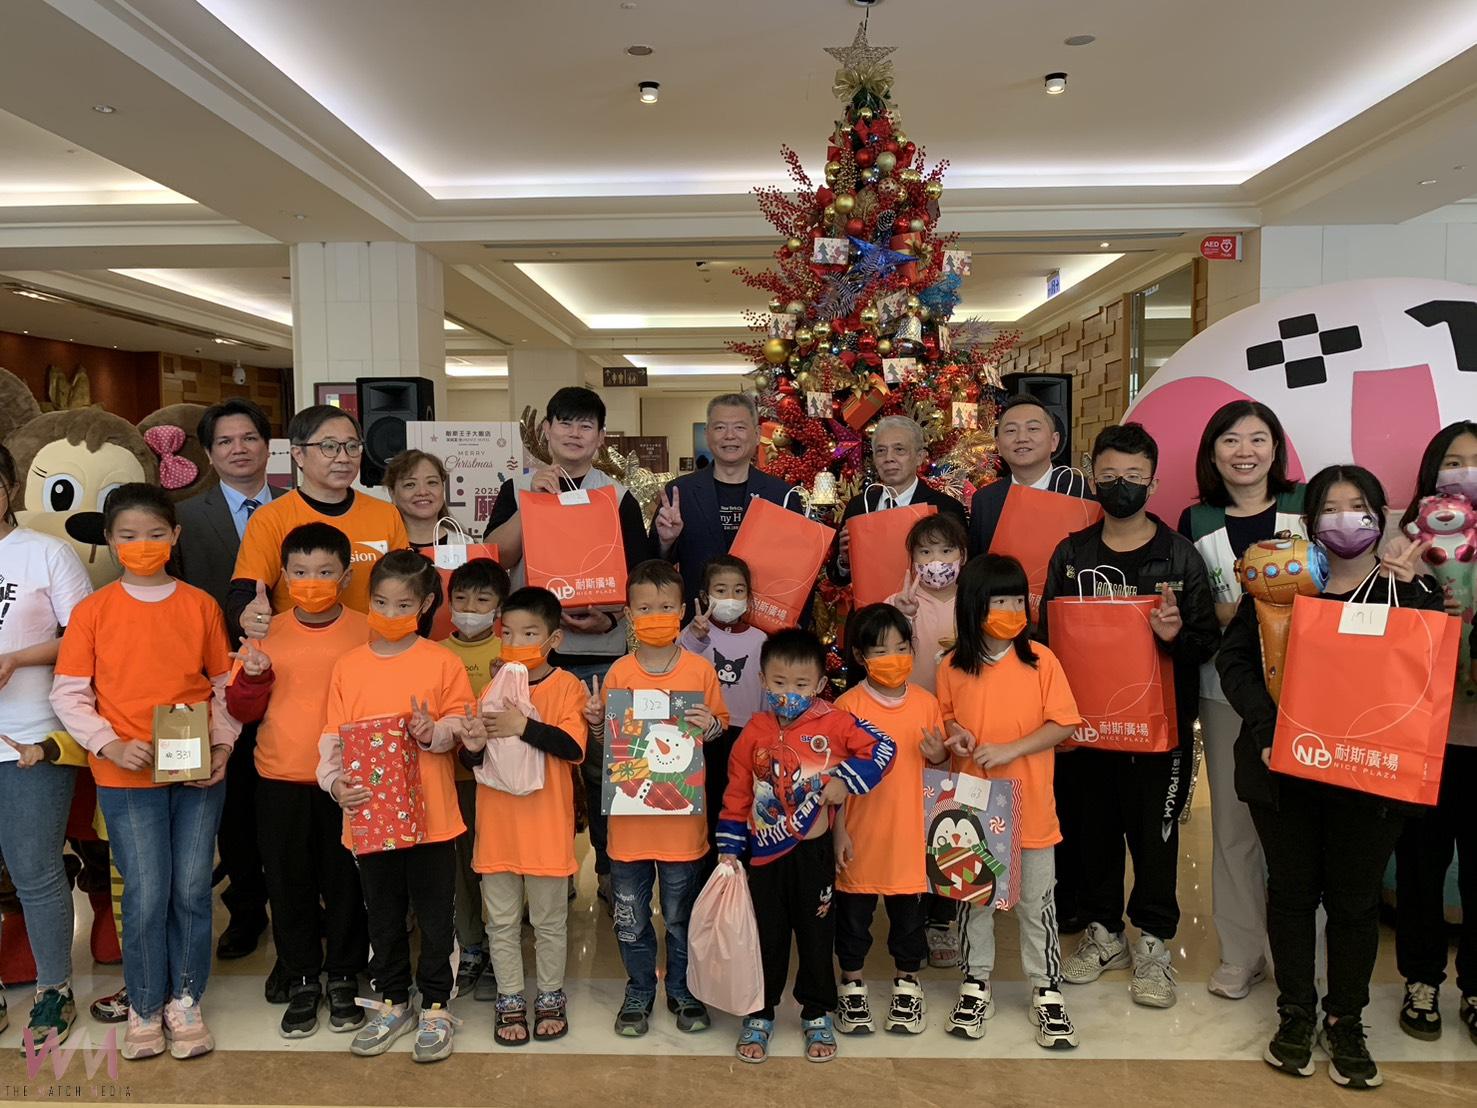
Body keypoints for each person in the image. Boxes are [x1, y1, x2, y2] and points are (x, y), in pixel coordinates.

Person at [1217, 464, 1441, 1089]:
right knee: (1290, 893)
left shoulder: (1404, 589)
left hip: (1369, 777)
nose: (1346, 519)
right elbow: (1236, 663)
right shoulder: (1281, 582)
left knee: (1354, 900)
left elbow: (1430, 668)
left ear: (1380, 517)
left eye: (1359, 506)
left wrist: (1415, 594)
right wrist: (1267, 731)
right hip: (1284, 769)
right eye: (1331, 508)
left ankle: (1346, 1017)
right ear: (1310, 520)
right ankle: (1295, 1012)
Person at [50, 483, 239, 1061]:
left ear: (175, 536)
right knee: (147, 892)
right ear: (110, 541)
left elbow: (222, 685)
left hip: (197, 773)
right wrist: (108, 744)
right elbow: (69, 693)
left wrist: (223, 745)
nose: (143, 545)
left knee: (191, 889)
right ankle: (146, 1005)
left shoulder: (200, 606)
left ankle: (186, 1000)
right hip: (126, 778)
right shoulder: (93, 611)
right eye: (129, 536)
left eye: (156, 534)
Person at [1042, 423, 1218, 1009]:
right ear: (1094, 477)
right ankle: (1104, 934)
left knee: (1155, 838)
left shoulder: (1179, 555)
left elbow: (1205, 644)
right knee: (1092, 834)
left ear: (1153, 483)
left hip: (1159, 732)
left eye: (1134, 476)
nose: (1121, 485)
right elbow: (1045, 641)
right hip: (1086, 730)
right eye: (1111, 475)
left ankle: (1154, 943)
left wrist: (1176, 635)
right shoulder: (1071, 554)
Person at [484, 386, 652, 906]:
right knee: (531, 768)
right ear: (547, 431)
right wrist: (532, 502)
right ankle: (542, 872)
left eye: (586, 426)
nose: (575, 434)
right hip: (531, 661)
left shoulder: (617, 497)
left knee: (604, 771)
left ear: (600, 437)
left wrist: (612, 615)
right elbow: (495, 559)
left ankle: (609, 870)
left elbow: (639, 574)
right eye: (565, 423)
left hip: (600, 656)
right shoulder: (516, 487)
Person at [316, 550, 480, 1063]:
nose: (390, 612)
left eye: (403, 604)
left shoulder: (442, 662)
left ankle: (435, 1005)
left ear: (426, 604)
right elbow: (332, 737)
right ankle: (392, 1001)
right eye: (381, 602)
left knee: (435, 916)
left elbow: (461, 724)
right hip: (369, 817)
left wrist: (434, 732)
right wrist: (335, 785)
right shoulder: (349, 666)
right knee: (383, 916)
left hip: (432, 817)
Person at [717, 629, 895, 1064]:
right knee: (766, 937)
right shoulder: (754, 730)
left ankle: (817, 1011)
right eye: (779, 682)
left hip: (814, 854)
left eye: (801, 684)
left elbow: (884, 748)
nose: (789, 693)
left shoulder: (835, 721)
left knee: (817, 937)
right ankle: (760, 1012)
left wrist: (845, 781)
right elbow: (737, 791)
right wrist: (729, 846)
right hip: (764, 856)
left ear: (819, 684)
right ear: (762, 679)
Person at [1177, 399, 1305, 1000]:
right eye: (1230, 440)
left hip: (1308, 690)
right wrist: (1258, 608)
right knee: (1233, 824)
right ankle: (1241, 952)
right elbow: (1195, 607)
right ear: (1213, 452)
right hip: (1226, 690)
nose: (1245, 451)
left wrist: (1239, 609)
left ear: (1275, 449)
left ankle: (1302, 956)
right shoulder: (1197, 519)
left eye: (1257, 439)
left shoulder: (1308, 505)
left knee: (1303, 826)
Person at [223, 523, 370, 1040]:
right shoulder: (265, 632)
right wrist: (254, 675)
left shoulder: (368, 630)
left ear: (345, 576)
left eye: (325, 571)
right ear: (284, 576)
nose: (312, 581)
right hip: (280, 778)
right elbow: (240, 709)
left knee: (346, 882)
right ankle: (302, 973)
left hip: (348, 784)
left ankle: (345, 973)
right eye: (301, 572)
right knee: (288, 883)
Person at [936, 554, 1082, 1049]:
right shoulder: (952, 666)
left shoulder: (1041, 660)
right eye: (999, 602)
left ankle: (1046, 988)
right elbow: (947, 717)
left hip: (1032, 806)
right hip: (970, 811)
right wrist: (956, 735)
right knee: (973, 900)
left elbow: (1064, 723)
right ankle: (976, 983)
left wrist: (1011, 750)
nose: (1011, 611)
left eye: (1017, 601)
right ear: (974, 606)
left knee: (1036, 903)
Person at [587, 559, 728, 1037]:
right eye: (644, 608)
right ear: (629, 614)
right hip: (628, 828)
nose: (656, 616)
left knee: (680, 918)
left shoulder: (699, 670)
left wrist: (710, 724)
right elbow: (609, 746)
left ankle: (683, 990)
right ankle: (640, 987)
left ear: (682, 610)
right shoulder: (619, 673)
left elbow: (719, 726)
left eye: (666, 607)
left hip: (682, 828)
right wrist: (596, 723)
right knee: (630, 917)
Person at [173, 397, 279, 964]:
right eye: (225, 442)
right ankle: (245, 910)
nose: (239, 449)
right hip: (218, 680)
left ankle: (300, 905)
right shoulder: (184, 519)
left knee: (290, 798)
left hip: (294, 678)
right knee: (232, 801)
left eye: (249, 438)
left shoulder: (298, 507)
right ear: (210, 455)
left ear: (268, 446)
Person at [461, 585, 587, 1046]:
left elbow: (572, 747)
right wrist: (472, 747)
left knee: (550, 922)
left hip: (545, 829)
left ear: (554, 639)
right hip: (497, 828)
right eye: (508, 633)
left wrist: (524, 726)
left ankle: (550, 995)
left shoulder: (567, 686)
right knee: (501, 922)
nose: (516, 642)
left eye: (529, 633)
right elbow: (476, 761)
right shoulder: (493, 688)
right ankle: (510, 997)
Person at [0, 443, 93, 1046]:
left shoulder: (45, 552)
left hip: (32, 736)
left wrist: (15, 659)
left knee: (34, 869)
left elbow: (84, 634)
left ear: (9, 487)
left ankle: (53, 988)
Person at [1388, 421, 1477, 1042]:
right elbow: (1378, 630)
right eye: (1453, 460)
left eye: (1475, 460)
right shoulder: (1404, 540)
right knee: (1420, 865)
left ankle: (1475, 986)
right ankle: (1420, 979)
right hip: (1420, 732)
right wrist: (1410, 593)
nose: (1463, 471)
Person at [832, 604, 949, 1036]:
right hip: (860, 835)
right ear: (860, 656)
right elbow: (833, 779)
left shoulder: (926, 704)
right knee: (853, 918)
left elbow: (941, 771)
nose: (894, 658)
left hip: (911, 835)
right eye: (881, 651)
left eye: (901, 648)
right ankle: (852, 984)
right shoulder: (846, 707)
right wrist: (838, 832)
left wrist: (939, 754)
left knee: (909, 920)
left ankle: (907, 983)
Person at [232, 405, 409, 641]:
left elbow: (407, 585)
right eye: (329, 446)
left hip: (372, 648)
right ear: (298, 454)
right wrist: (248, 616)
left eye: (352, 446)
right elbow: (244, 593)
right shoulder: (270, 518)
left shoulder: (386, 514)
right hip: (296, 650)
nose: (343, 458)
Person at [439, 557, 511, 1001]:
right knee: (460, 867)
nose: (470, 609)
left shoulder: (511, 654)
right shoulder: (435, 654)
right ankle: (471, 946)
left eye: (482, 600)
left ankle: (503, 949)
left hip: (502, 780)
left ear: (499, 608)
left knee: (500, 867)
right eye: (461, 599)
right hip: (454, 779)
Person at [653, 393, 799, 610]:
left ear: (757, 435)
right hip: (696, 619)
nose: (730, 436)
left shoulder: (782, 496)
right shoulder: (679, 493)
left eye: (739, 427)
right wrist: (666, 542)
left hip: (761, 620)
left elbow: (797, 567)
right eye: (720, 427)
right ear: (707, 434)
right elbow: (652, 566)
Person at [677, 554, 767, 848]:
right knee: (709, 796)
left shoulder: (760, 639)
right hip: (705, 731)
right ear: (705, 596)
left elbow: (767, 690)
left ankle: (738, 859)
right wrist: (694, 636)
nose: (730, 597)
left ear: (748, 597)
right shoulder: (693, 634)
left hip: (746, 732)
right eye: (721, 590)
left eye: (738, 590)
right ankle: (706, 862)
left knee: (740, 797)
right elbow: (677, 667)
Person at [829, 416, 967, 585]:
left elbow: (963, 572)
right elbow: (837, 578)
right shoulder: (859, 506)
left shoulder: (945, 508)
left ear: (919, 457)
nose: (888, 458)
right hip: (872, 600)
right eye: (881, 451)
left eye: (899, 450)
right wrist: (844, 561)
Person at [966, 394, 1089, 555]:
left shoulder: (1084, 491)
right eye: (1011, 430)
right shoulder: (984, 500)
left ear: (1054, 441)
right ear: (998, 445)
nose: (1022, 438)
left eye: (1033, 429)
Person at [888, 512, 969, 694]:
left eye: (946, 551)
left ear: (963, 556)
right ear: (913, 559)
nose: (936, 560)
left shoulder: (975, 602)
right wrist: (904, 616)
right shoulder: (895, 604)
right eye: (925, 552)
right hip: (913, 703)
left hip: (964, 702)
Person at [385, 449, 451, 553]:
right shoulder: (379, 547)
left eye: (432, 482)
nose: (423, 492)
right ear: (392, 493)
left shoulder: (465, 544)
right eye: (410, 484)